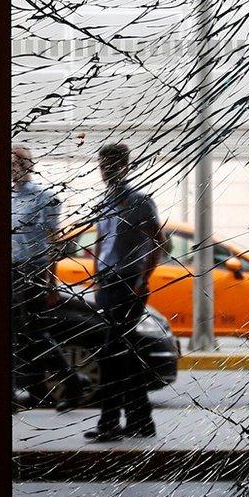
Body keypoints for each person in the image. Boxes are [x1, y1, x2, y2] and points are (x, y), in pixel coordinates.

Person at [86, 143, 163, 442]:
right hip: (107, 283)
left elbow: (159, 241)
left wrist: (144, 279)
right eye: (103, 164)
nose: (107, 170)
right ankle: (141, 421)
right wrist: (96, 276)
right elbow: (101, 240)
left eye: (113, 164)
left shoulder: (142, 201)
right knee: (125, 354)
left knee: (110, 354)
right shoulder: (104, 202)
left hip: (129, 282)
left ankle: (110, 423)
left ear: (126, 166)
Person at [10, 146, 60, 406]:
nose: (14, 168)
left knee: (35, 331)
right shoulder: (8, 197)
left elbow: (53, 241)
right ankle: (30, 390)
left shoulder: (45, 198)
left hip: (35, 270)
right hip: (12, 270)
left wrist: (52, 281)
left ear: (29, 166)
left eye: (19, 163)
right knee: (16, 332)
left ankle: (68, 383)